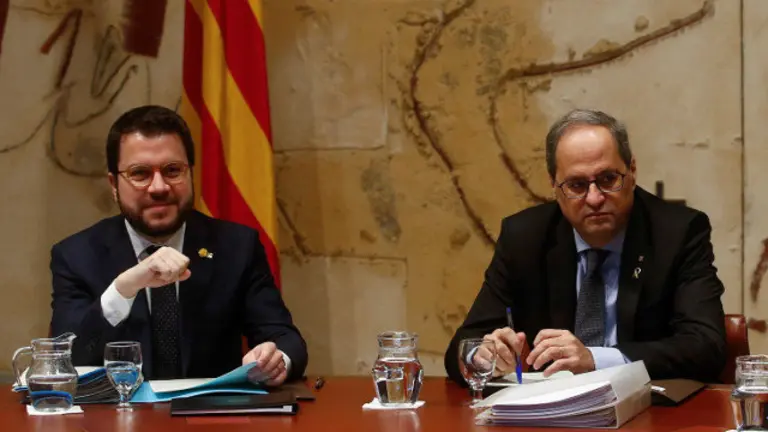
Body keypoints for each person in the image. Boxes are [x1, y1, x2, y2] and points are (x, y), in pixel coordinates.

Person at [444, 109, 726, 384]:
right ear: (554, 185)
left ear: (632, 171)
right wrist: (483, 357)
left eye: (607, 179)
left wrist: (595, 359)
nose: (594, 198)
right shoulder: (525, 238)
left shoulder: (677, 232)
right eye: (577, 185)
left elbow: (705, 347)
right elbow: (463, 345)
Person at [50, 105, 307, 385]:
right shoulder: (76, 255)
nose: (159, 187)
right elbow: (66, 360)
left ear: (190, 173)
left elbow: (286, 339)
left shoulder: (236, 246)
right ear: (113, 184)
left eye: (173, 170)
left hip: (210, 420)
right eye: (140, 173)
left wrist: (275, 359)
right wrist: (122, 290)